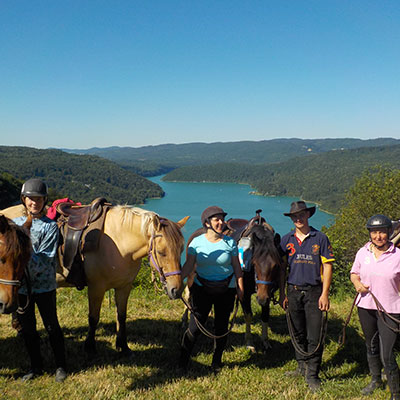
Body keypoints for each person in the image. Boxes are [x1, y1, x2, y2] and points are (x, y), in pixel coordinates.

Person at [13, 178, 67, 382]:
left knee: (52, 325)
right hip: (22, 289)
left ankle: (60, 365)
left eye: (38, 199)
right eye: (30, 199)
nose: (34, 202)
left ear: (44, 201)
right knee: (27, 329)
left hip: (44, 286)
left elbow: (46, 258)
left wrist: (19, 260)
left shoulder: (50, 227)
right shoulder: (14, 225)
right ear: (24, 200)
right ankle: (35, 366)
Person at [179, 206, 244, 371]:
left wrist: (240, 288)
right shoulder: (196, 243)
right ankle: (183, 360)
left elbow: (237, 267)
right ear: (207, 223)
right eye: (216, 219)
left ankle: (216, 361)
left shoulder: (230, 243)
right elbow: (188, 265)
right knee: (194, 327)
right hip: (202, 290)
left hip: (226, 290)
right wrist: (178, 281)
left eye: (222, 219)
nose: (221, 222)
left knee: (221, 327)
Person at [280, 201, 334, 392]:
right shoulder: (286, 240)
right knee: (297, 332)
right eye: (295, 216)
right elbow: (281, 268)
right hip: (293, 291)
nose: (298, 219)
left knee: (314, 334)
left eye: (301, 215)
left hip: (314, 292)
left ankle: (313, 374)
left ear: (308, 215)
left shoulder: (320, 238)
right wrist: (282, 293)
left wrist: (325, 294)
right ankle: (301, 367)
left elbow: (328, 266)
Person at [350, 214, 400, 399]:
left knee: (386, 352)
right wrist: (357, 284)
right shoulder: (363, 252)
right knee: (371, 345)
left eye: (382, 232)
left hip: (390, 309)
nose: (378, 236)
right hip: (365, 306)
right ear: (370, 233)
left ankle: (395, 391)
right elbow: (354, 273)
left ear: (389, 232)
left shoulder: (398, 255)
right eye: (374, 232)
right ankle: (376, 380)